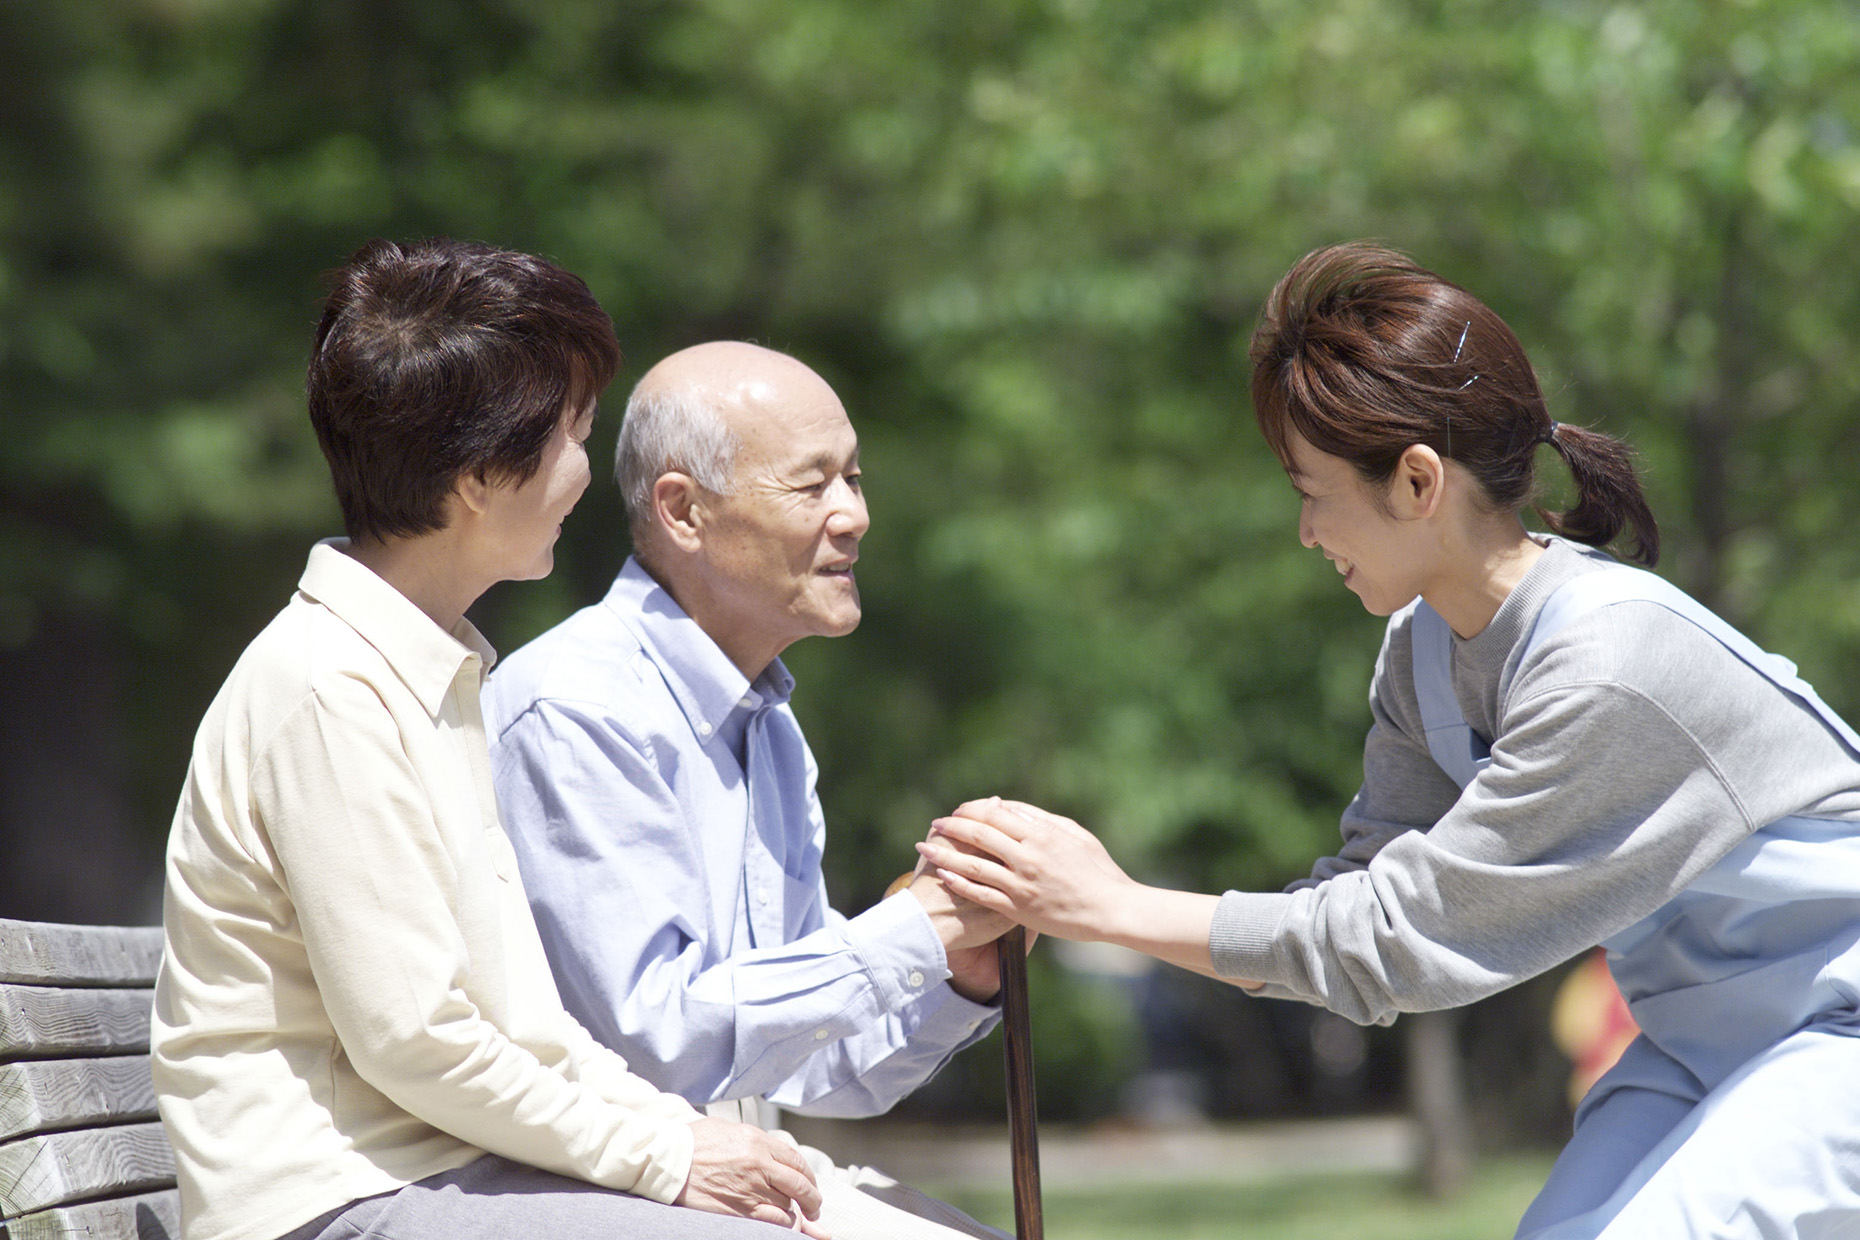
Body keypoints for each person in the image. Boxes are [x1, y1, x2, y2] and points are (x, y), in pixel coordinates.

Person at [919, 242, 1860, 1238]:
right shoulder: (1420, 656)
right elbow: (1346, 915)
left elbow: (1397, 943)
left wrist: (1106, 905)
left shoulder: (1608, 665)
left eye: (1310, 490)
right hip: (1697, 1039)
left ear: (1418, 481)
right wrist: (1077, 899)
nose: (1304, 531)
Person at [152, 240, 825, 1240]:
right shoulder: (328, 688)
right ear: (478, 475)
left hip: (446, 1173)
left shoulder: (427, 671)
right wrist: (668, 1155)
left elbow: (521, 1024)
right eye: (571, 436)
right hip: (335, 1197)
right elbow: (416, 1040)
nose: (585, 473)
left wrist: (678, 1132)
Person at [484, 341, 1014, 1240]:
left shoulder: (768, 725)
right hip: (603, 1194)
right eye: (813, 487)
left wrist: (960, 973)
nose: (854, 516)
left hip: (739, 1188)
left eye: (854, 477)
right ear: (683, 511)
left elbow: (812, 1069)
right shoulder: (578, 708)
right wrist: (913, 927)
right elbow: (657, 1043)